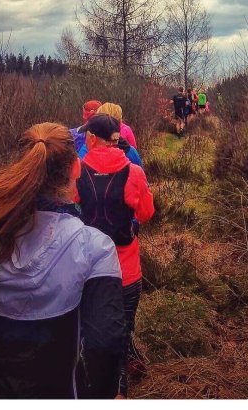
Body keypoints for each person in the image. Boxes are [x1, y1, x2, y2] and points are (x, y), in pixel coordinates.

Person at [0, 122, 125, 399]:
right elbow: (105, 344)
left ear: (21, 170)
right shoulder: (96, 248)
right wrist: (105, 394)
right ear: (76, 168)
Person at [76, 114, 154, 398]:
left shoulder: (77, 171)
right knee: (122, 332)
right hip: (127, 269)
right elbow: (147, 213)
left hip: (90, 270)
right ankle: (118, 388)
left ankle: (96, 388)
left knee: (91, 334)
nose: (84, 138)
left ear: (93, 138)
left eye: (86, 134)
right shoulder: (134, 172)